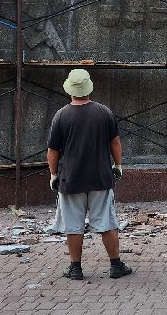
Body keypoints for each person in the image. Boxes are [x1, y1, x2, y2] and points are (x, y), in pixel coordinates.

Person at [47, 68, 131, 280]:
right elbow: (115, 142)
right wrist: (118, 165)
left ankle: (75, 268)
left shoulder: (61, 115)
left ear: (70, 90)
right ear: (88, 88)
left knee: (73, 226)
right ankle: (115, 265)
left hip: (70, 178)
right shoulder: (104, 112)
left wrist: (53, 175)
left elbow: (53, 151)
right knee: (106, 223)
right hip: (100, 177)